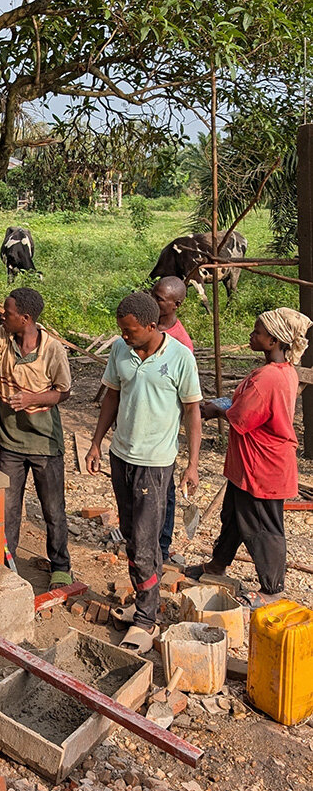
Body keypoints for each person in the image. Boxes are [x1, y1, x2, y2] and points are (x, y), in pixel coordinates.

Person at [87, 292, 201, 652]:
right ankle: (142, 601)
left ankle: (146, 622)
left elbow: (193, 412)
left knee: (146, 541)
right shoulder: (121, 351)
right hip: (122, 457)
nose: (123, 336)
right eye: (121, 330)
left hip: (155, 464)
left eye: (130, 331)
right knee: (131, 536)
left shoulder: (180, 358)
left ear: (152, 326)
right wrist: (95, 443)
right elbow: (112, 397)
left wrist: (192, 465)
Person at [187, 308, 312, 607]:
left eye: (257, 332)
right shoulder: (283, 372)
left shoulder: (267, 377)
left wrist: (216, 409)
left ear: (273, 340)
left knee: (262, 527)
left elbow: (242, 417)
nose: (251, 336)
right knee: (233, 517)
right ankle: (217, 564)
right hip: (251, 464)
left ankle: (272, 589)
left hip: (262, 466)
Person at [0, 287, 73, 587]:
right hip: (10, 443)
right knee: (7, 510)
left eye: (8, 313)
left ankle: (60, 566)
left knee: (53, 509)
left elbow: (64, 392)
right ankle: (7, 564)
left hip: (45, 444)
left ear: (26, 318)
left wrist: (34, 397)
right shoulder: (1, 338)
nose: (3, 316)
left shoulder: (52, 349)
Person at [151, 276, 194, 567]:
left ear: (177, 304)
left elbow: (189, 401)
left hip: (163, 431)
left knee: (164, 491)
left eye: (160, 298)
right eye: (153, 295)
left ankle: (162, 547)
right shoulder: (145, 328)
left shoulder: (181, 343)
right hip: (138, 429)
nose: (154, 301)